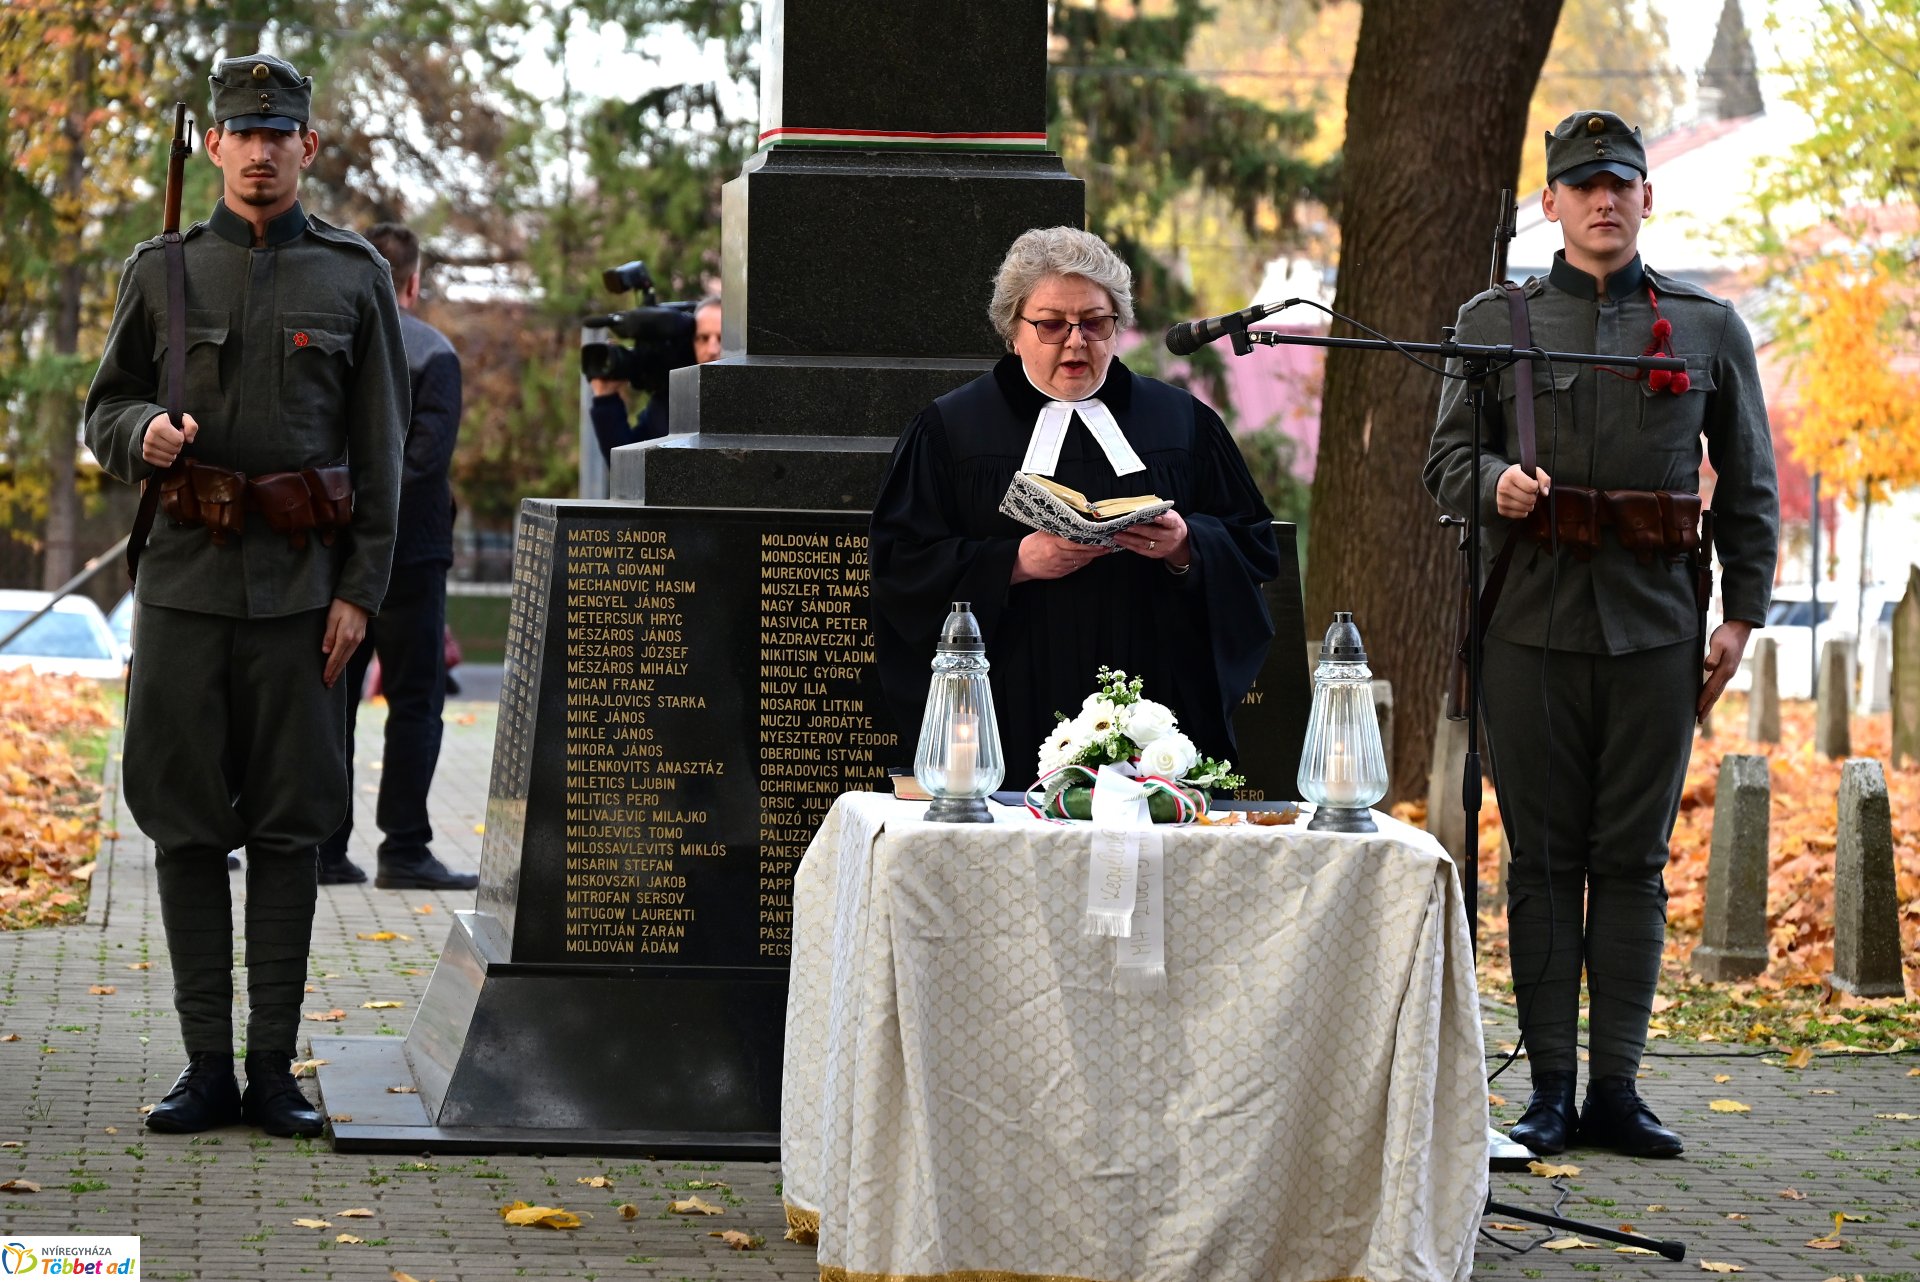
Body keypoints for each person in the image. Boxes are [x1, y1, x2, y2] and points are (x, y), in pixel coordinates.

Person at [1424, 111, 1778, 1158]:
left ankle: (1617, 1089)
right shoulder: (1495, 322)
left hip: (1657, 630)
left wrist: (1743, 616)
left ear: (1646, 198)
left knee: (1632, 861)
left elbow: (1750, 484)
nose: (1604, 200)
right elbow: (1445, 467)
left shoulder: (1708, 329)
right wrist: (1500, 484)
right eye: (1583, 185)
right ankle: (1546, 1093)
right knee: (1542, 861)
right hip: (1528, 627)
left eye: (1621, 182)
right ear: (1551, 206)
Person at [83, 54, 407, 1138]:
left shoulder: (355, 278)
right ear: (212, 146)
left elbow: (383, 456)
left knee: (287, 831)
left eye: (280, 134)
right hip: (182, 586)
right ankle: (204, 1066)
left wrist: (360, 592)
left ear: (308, 148)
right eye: (241, 133)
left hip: (303, 600)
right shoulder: (162, 269)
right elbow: (103, 409)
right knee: (182, 826)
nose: (260, 150)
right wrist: (144, 434)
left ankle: (273, 1070)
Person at [871, 227, 1280, 789]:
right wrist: (1013, 562)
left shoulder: (1181, 424)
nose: (1075, 342)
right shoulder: (952, 431)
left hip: (1152, 714)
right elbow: (899, 563)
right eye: (1051, 324)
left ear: (1118, 325)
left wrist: (1187, 545)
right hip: (1006, 714)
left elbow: (1254, 544)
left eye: (1094, 322)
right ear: (1013, 330)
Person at [316, 222, 474, 891]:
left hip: (332, 552)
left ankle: (324, 848)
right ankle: (404, 849)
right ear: (412, 283)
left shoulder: (330, 346)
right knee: (415, 702)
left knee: (333, 700)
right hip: (410, 557)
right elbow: (424, 463)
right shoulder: (433, 353)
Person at [589, 294, 722, 460]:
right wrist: (606, 400)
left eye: (721, 338)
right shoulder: (671, 402)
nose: (712, 349)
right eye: (703, 338)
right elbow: (627, 464)